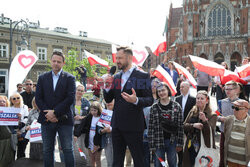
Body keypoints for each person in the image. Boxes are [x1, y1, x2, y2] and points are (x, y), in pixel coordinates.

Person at [103, 46, 154, 167]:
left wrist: (136, 100)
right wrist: (107, 86)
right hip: (117, 125)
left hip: (134, 126)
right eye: (117, 58)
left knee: (139, 160)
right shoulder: (116, 77)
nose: (117, 61)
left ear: (130, 58)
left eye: (120, 58)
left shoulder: (142, 76)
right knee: (117, 161)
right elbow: (108, 99)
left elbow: (150, 100)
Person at [35, 51, 76, 167]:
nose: (56, 63)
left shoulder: (70, 78)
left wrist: (55, 113)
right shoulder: (42, 78)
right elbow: (38, 98)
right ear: (50, 61)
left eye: (59, 61)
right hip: (46, 120)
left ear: (63, 63)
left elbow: (70, 98)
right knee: (47, 150)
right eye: (54, 61)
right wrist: (48, 113)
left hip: (65, 120)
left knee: (67, 149)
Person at [148, 82, 183, 167]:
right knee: (158, 164)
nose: (161, 93)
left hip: (172, 141)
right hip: (158, 141)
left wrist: (180, 143)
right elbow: (151, 127)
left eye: (163, 90)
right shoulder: (154, 107)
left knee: (172, 163)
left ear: (168, 91)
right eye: (159, 91)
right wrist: (151, 145)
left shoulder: (176, 106)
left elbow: (180, 126)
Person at [182, 90, 217, 167]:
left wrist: (204, 121)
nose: (199, 100)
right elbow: (184, 125)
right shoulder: (192, 111)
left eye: (202, 98)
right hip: (191, 145)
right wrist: (193, 125)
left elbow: (210, 132)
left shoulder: (212, 115)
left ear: (207, 100)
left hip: (205, 146)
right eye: (197, 98)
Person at [217, 80, 239, 167]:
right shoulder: (221, 102)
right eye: (226, 89)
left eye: (230, 89)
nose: (227, 91)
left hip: (237, 133)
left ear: (236, 90)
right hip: (224, 132)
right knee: (222, 156)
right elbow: (216, 115)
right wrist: (221, 118)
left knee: (234, 157)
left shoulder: (242, 103)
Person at [74, 101, 103, 167]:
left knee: (97, 159)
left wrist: (98, 144)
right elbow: (82, 125)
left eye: (95, 110)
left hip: (98, 142)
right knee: (91, 158)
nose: (93, 112)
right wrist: (76, 134)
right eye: (91, 110)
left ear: (99, 110)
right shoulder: (89, 117)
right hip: (89, 140)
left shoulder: (101, 117)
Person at [223, 99, 250, 166]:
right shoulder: (228, 120)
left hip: (244, 162)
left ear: (246, 110)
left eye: (237, 108)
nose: (234, 110)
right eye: (233, 107)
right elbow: (225, 137)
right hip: (230, 160)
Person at [175, 81, 196, 167]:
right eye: (180, 87)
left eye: (183, 87)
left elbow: (194, 113)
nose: (180, 88)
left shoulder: (193, 99)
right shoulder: (177, 99)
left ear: (188, 87)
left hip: (189, 127)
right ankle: (180, 163)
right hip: (179, 127)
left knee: (189, 147)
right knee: (179, 147)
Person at [73, 84, 90, 166]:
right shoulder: (70, 101)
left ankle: (85, 164)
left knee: (83, 148)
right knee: (75, 149)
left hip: (83, 129)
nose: (80, 92)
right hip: (72, 128)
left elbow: (90, 115)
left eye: (81, 91)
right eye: (78, 90)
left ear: (84, 92)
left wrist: (81, 117)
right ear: (75, 90)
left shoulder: (86, 102)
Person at [10, 93, 29, 159]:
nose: (16, 99)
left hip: (22, 132)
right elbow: (9, 121)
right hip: (13, 132)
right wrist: (15, 130)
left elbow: (26, 118)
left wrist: (20, 119)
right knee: (12, 151)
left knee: (21, 152)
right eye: (14, 98)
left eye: (18, 97)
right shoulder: (10, 108)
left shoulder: (24, 107)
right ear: (11, 100)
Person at [98, 100, 114, 167]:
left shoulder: (118, 112)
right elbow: (99, 130)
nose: (109, 103)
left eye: (111, 101)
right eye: (107, 101)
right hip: (107, 141)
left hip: (117, 140)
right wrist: (103, 130)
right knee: (109, 162)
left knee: (118, 161)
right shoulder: (103, 113)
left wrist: (112, 129)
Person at [0, 96, 15, 167]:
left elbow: (14, 127)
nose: (2, 103)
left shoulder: (10, 111)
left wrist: (18, 118)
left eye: (3, 101)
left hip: (8, 139)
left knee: (7, 159)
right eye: (0, 101)